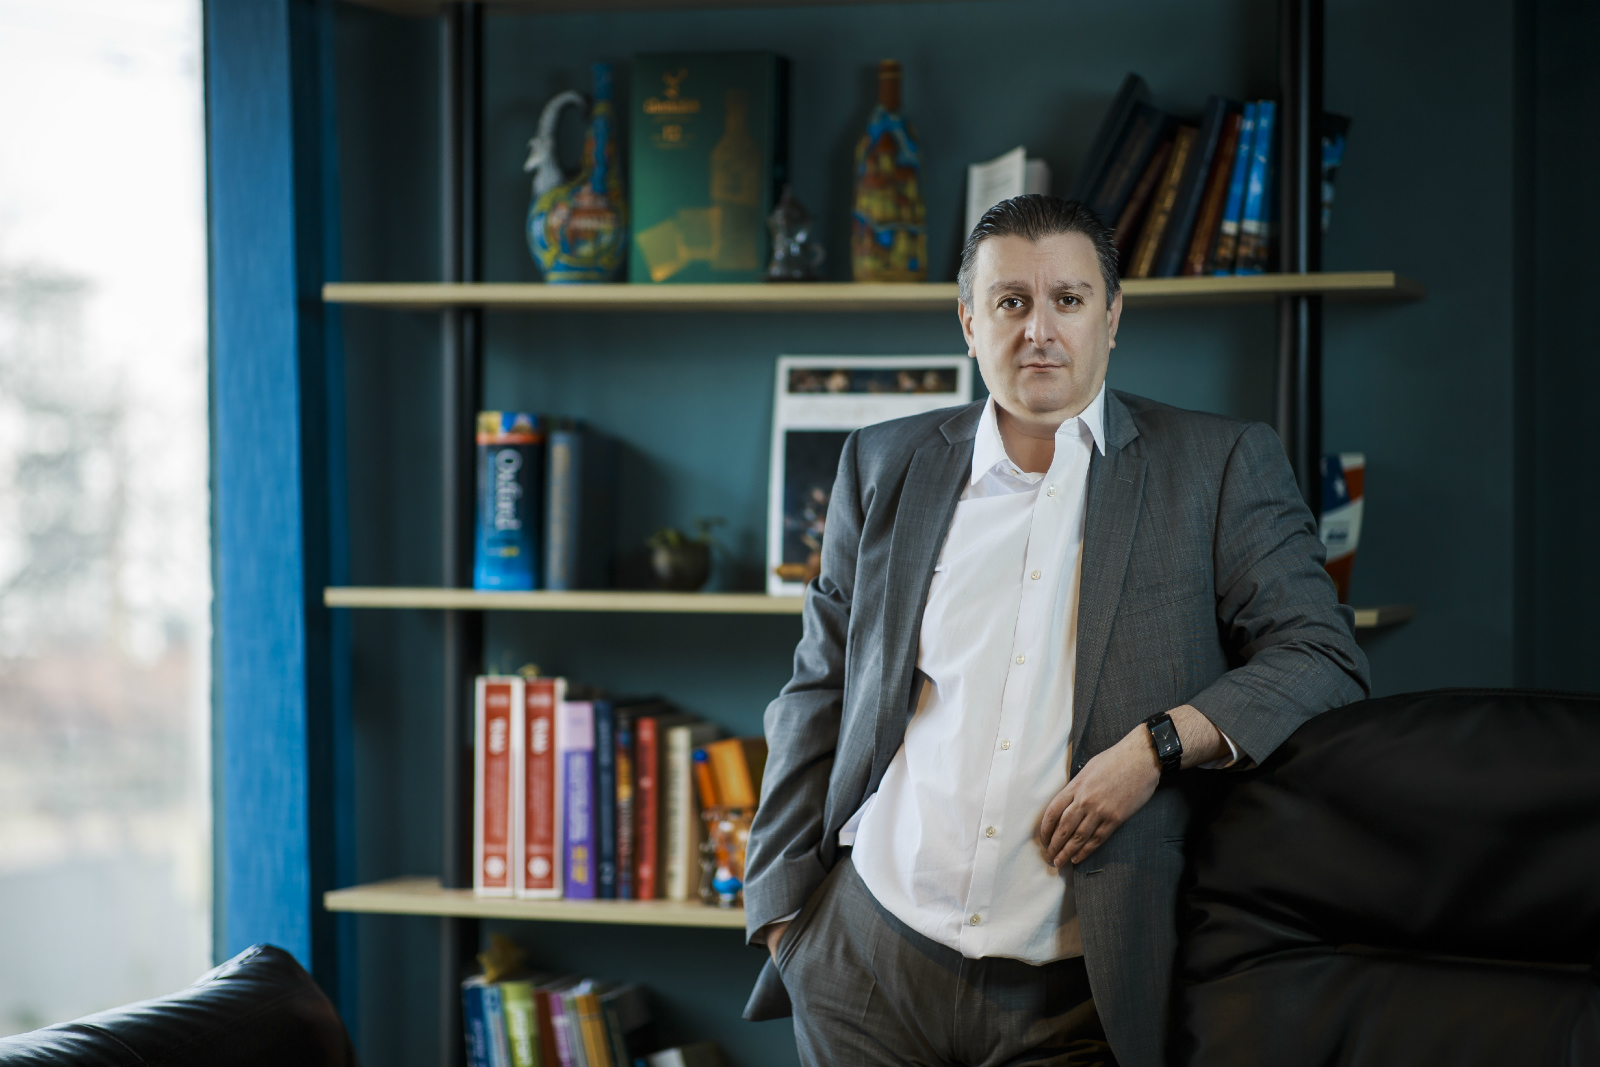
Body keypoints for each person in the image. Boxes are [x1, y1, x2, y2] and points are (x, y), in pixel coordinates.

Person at [741, 195, 1370, 1067]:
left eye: (1068, 300)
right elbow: (818, 684)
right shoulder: (883, 463)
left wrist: (1154, 748)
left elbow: (1322, 655)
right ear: (970, 322)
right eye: (1011, 302)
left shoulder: (1218, 465)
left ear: (1111, 318)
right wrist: (782, 914)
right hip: (867, 961)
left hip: (1080, 992)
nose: (1039, 330)